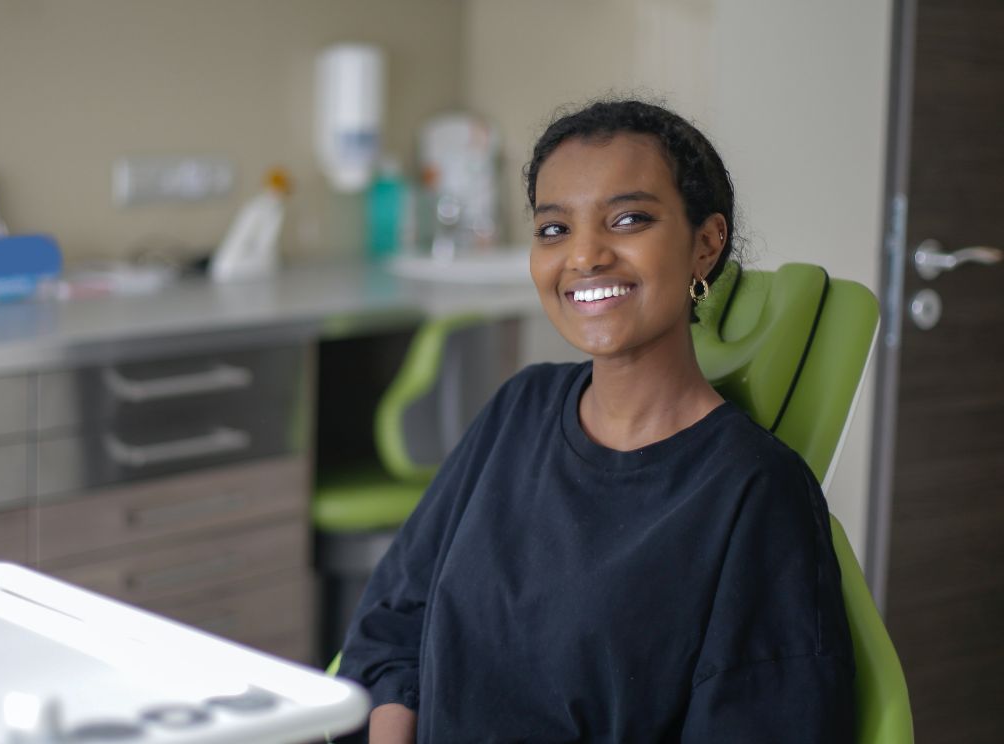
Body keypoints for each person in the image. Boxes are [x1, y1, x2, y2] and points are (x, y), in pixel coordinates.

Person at [336, 100, 856, 743]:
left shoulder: (757, 494)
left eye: (629, 219)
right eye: (554, 229)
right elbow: (394, 623)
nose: (584, 256)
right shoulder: (518, 409)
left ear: (705, 244)